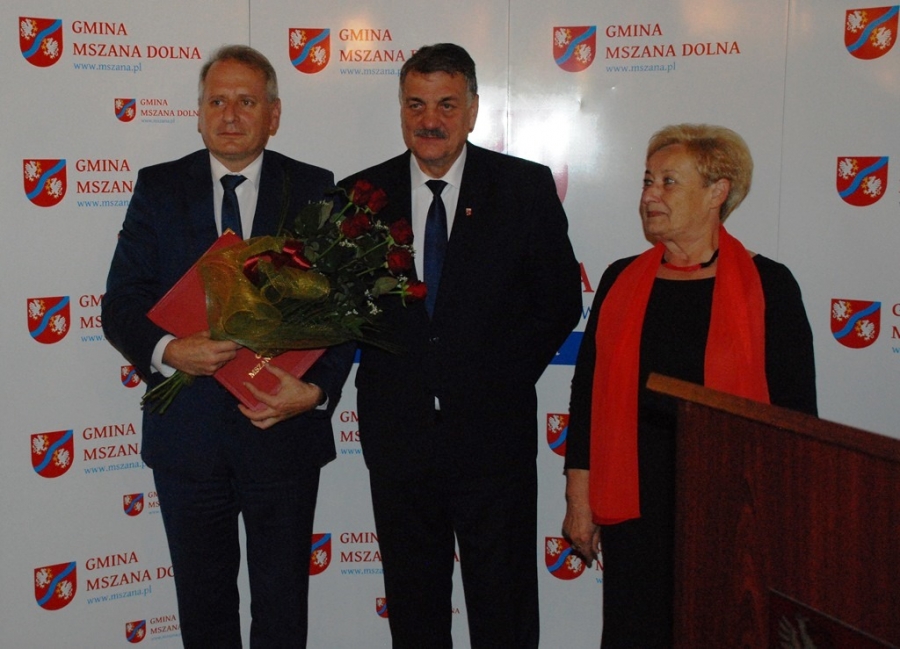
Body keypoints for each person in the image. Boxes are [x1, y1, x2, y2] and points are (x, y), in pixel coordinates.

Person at [102, 45, 354, 648]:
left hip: (282, 438)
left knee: (283, 614)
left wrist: (316, 392)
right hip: (188, 443)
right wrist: (169, 350)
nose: (231, 115)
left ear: (274, 115)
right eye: (217, 101)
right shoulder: (159, 188)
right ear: (198, 114)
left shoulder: (315, 188)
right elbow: (120, 304)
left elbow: (347, 312)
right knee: (204, 614)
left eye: (246, 101)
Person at [340, 43, 582, 648]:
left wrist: (495, 378)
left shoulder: (523, 188)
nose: (430, 120)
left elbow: (558, 302)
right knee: (414, 612)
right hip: (398, 439)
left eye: (447, 105)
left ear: (473, 109)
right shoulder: (357, 198)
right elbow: (340, 313)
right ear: (401, 108)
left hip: (492, 438)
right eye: (416, 104)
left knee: (503, 612)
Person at [562, 123, 818, 648]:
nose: (649, 195)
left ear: (717, 192)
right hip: (634, 501)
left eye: (668, 182)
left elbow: (796, 416)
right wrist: (578, 495)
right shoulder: (619, 278)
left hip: (733, 506)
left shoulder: (769, 285)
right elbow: (587, 394)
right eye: (647, 181)